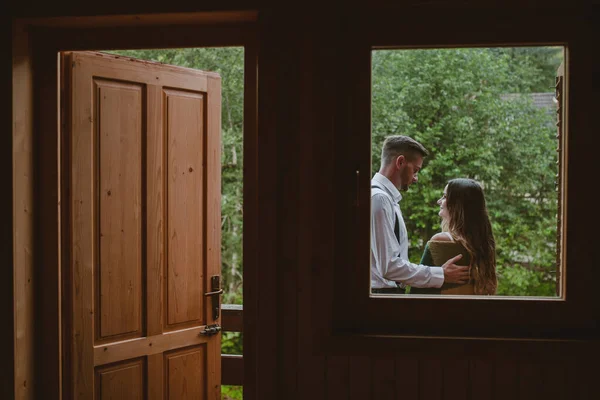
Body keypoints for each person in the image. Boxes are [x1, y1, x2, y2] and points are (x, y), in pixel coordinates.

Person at [371, 135, 471, 294]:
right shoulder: (379, 199)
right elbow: (388, 266)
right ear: (400, 162)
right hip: (380, 295)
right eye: (415, 170)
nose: (416, 178)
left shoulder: (388, 200)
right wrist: (441, 274)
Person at [411, 178, 497, 295]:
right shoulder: (483, 245)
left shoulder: (441, 240)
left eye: (445, 196)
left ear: (458, 204)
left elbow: (417, 288)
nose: (439, 201)